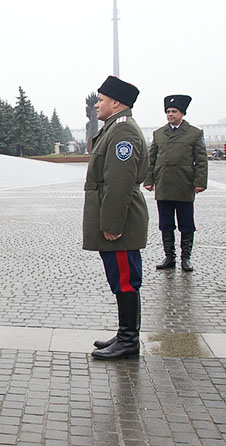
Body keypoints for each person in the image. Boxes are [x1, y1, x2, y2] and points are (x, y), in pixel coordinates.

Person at [85, 76, 148, 360]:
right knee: (121, 277)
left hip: (120, 222)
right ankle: (125, 334)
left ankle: (129, 341)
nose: (96, 105)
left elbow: (119, 182)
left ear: (116, 103)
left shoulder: (123, 132)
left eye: (100, 100)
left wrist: (111, 225)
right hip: (116, 217)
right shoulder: (114, 128)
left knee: (125, 279)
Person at [143, 95, 208, 272]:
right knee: (166, 223)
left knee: (186, 223)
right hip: (163, 184)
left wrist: (200, 182)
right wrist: (149, 180)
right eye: (168, 112)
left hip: (184, 184)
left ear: (182, 113)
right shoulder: (159, 133)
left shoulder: (194, 133)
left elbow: (201, 160)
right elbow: (152, 159)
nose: (170, 114)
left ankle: (186, 258)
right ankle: (169, 257)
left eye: (174, 111)